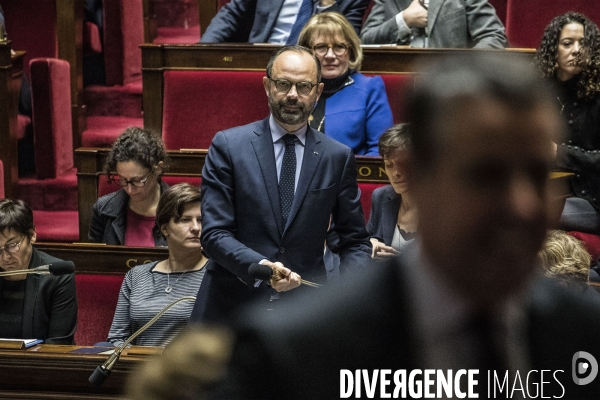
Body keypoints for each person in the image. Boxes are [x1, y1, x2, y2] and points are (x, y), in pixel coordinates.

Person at [187, 53, 600, 399]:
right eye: (487, 175)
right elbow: (217, 233)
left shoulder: (585, 332)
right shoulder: (303, 344)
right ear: (416, 176)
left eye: (536, 174)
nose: (523, 205)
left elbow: (350, 239)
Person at [190, 45, 371, 323]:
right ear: (267, 86)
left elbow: (354, 241)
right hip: (231, 306)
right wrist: (263, 267)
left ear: (318, 92)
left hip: (306, 311)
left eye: (304, 86)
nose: (292, 95)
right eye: (283, 84)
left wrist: (349, 295)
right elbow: (215, 234)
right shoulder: (229, 146)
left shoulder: (337, 156)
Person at [107, 183, 208, 347]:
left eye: (201, 220)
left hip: (190, 369)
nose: (196, 228)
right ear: (165, 228)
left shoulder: (215, 275)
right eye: (185, 220)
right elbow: (117, 339)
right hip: (138, 369)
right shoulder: (137, 275)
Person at [535, 12, 600, 234]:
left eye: (583, 43)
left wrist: (559, 153)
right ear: (554, 49)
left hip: (592, 199)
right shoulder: (540, 92)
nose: (576, 50)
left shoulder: (597, 95)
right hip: (552, 188)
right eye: (567, 43)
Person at [297, 12, 393, 156]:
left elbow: (380, 151)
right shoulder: (294, 90)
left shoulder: (370, 89)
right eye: (321, 47)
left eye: (339, 47)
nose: (330, 56)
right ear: (307, 51)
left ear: (350, 51)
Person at [0, 199, 77, 344]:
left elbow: (58, 344)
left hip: (41, 363)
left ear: (32, 234)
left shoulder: (57, 276)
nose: (5, 257)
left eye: (12, 245)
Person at [88, 127, 170, 246]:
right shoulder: (103, 209)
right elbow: (93, 260)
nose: (130, 190)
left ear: (157, 169)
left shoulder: (180, 208)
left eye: (137, 180)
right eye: (123, 180)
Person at [200, 0, 370, 44]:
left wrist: (327, 4)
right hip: (261, 61)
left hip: (313, 74)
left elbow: (347, 44)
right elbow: (232, 13)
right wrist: (201, 52)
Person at [360, 0, 507, 48]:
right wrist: (404, 20)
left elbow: (493, 36)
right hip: (402, 84)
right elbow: (366, 41)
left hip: (451, 86)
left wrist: (466, 69)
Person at [367, 124, 416, 258]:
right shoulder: (381, 196)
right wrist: (371, 244)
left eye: (402, 164)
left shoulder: (443, 206)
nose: (396, 173)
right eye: (389, 165)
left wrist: (399, 263)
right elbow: (364, 240)